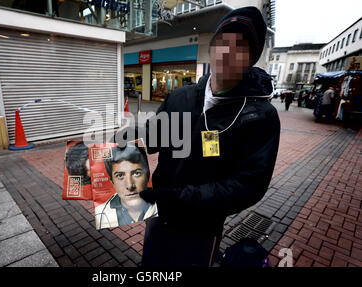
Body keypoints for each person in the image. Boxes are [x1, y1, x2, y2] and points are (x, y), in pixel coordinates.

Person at [117, 6, 280, 267]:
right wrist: (135, 135)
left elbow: (248, 186)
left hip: (201, 227)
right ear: (211, 49)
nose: (227, 52)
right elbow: (160, 137)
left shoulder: (259, 116)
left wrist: (184, 197)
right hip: (159, 214)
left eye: (239, 47)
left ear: (251, 58)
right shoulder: (182, 96)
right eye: (222, 43)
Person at [94, 144, 157, 229]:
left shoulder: (160, 205)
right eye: (120, 175)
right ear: (112, 181)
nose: (130, 185)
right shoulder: (102, 213)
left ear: (147, 175)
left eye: (137, 173)